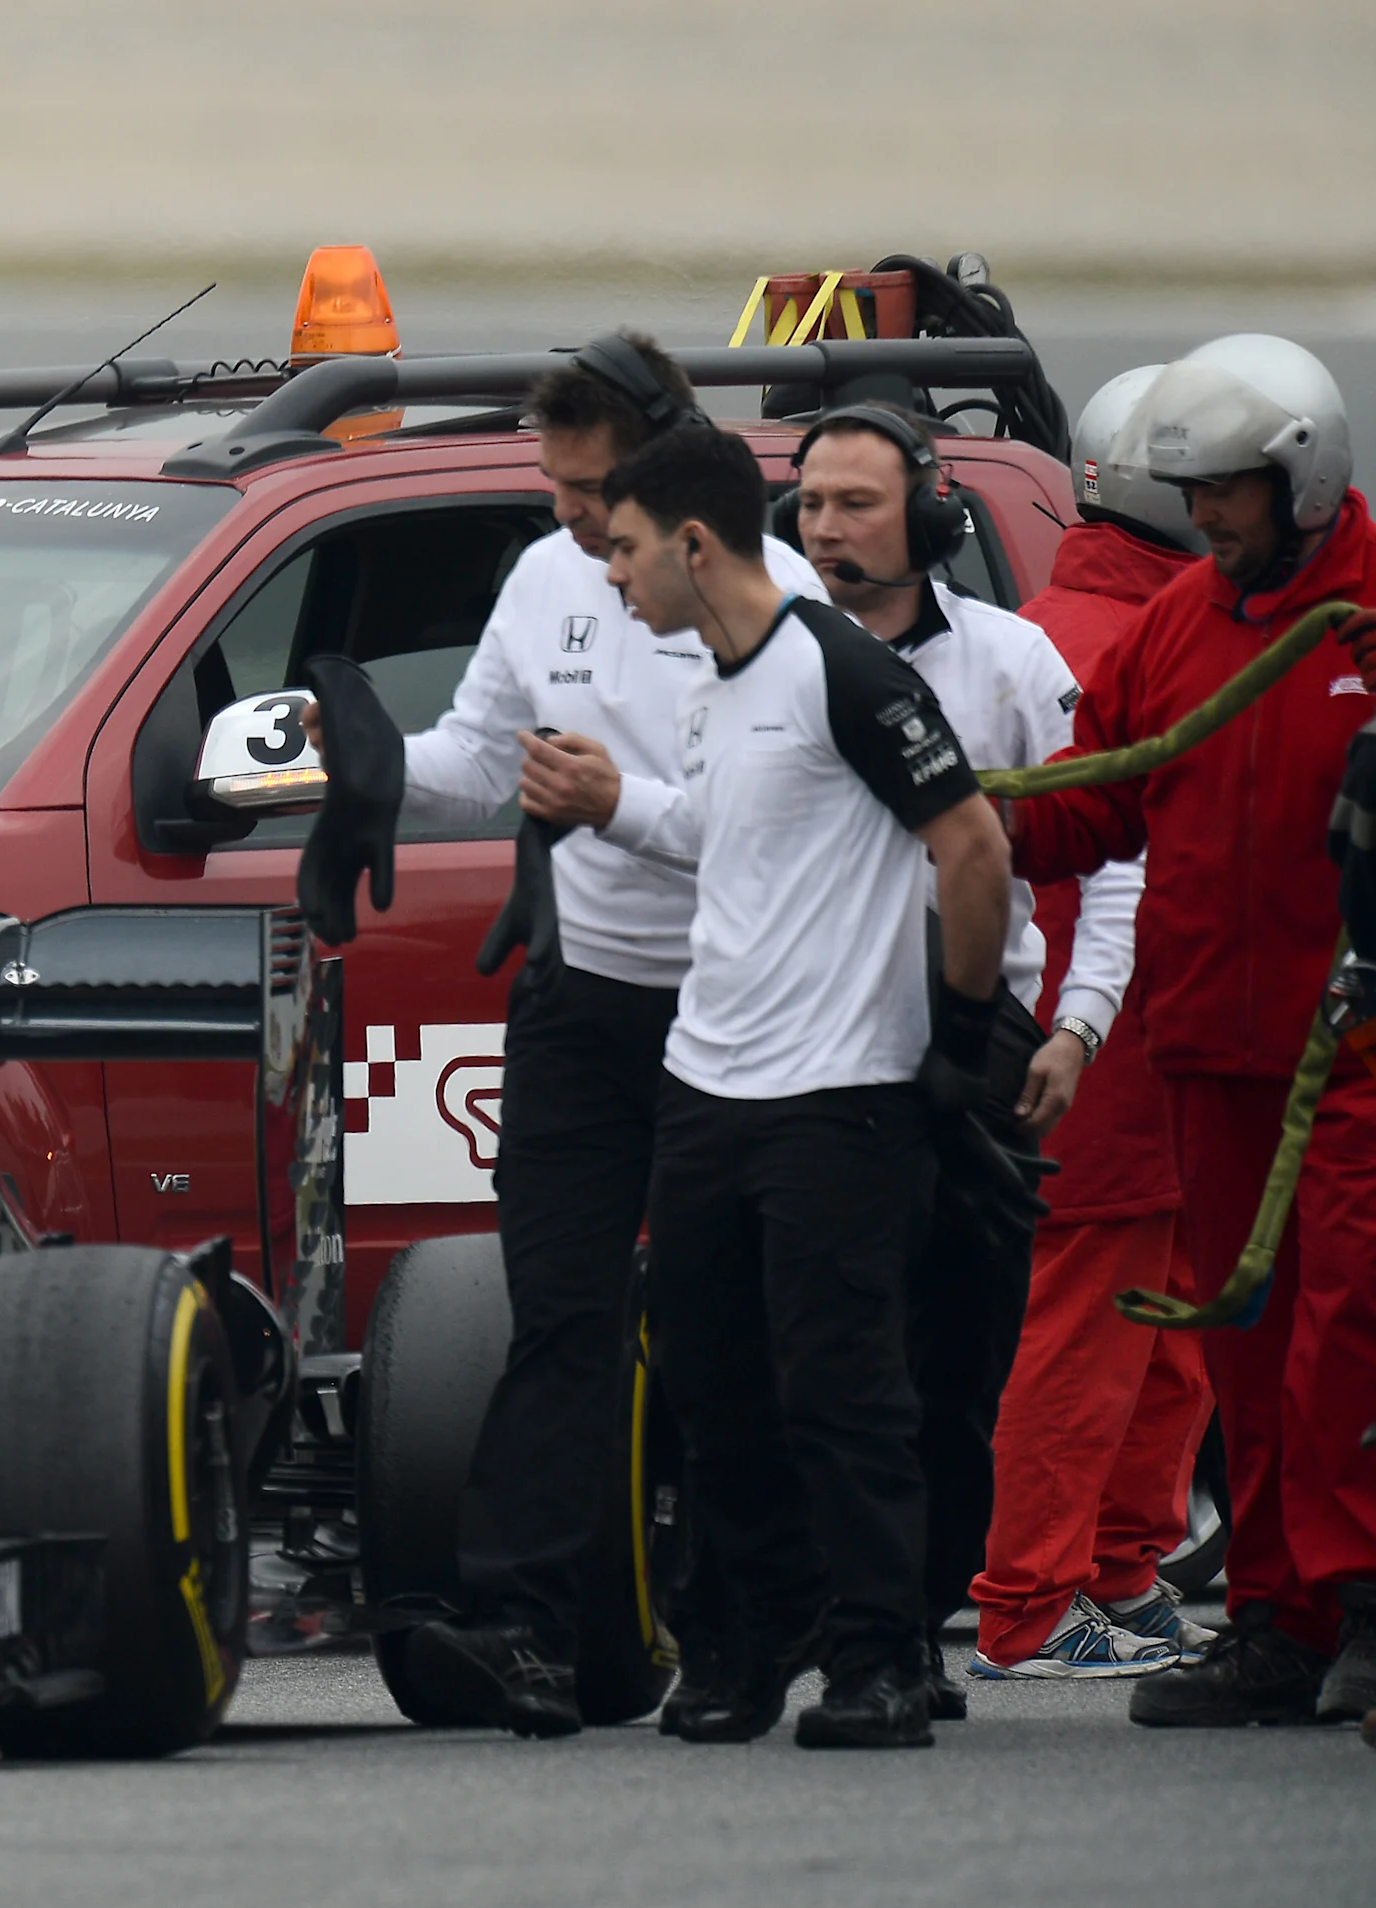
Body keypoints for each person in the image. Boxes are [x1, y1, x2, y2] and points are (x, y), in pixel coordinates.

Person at [323, 331, 818, 1739]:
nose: (571, 518)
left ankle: (739, 1626)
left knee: (730, 1343)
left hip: (736, 1015)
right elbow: (481, 758)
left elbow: (773, 837)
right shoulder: (546, 577)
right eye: (555, 489)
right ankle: (523, 1626)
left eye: (592, 490)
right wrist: (364, 770)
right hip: (577, 1002)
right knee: (562, 1322)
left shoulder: (775, 607)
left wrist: (616, 807)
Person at [525, 421, 1010, 1749]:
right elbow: (724, 835)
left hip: (840, 1098)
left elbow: (971, 848)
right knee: (710, 1388)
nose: (609, 577)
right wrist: (614, 800)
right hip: (707, 1088)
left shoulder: (838, 670)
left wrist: (958, 1047)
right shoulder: (709, 684)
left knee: (844, 1391)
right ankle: (749, 1637)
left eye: (622, 549)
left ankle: (881, 1658)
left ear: (691, 544)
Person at [1011, 334, 1376, 1728]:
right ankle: (1283, 1621)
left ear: (1300, 477)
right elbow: (1089, 802)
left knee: (1350, 1327)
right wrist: (955, 798)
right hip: (1212, 1060)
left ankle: (1370, 1607)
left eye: (1225, 491)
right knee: (1248, 1343)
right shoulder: (1181, 625)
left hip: (1353, 1055)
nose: (1205, 518)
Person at [784, 399, 1138, 1709]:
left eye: (858, 503)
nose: (827, 531)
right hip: (809, 1037)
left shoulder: (1012, 663)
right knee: (822, 1344)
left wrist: (1082, 1022)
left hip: (981, 1036)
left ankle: (908, 1624)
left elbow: (1118, 849)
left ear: (930, 517)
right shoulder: (752, 661)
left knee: (963, 1353)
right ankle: (840, 1624)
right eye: (811, 506)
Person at [972, 368, 1218, 1681]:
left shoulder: (1094, 628)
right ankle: (1028, 1606)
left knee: (1160, 1333)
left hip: (1144, 1042)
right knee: (1088, 1335)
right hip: (1108, 1047)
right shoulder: (1131, 642)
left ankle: (1121, 1570)